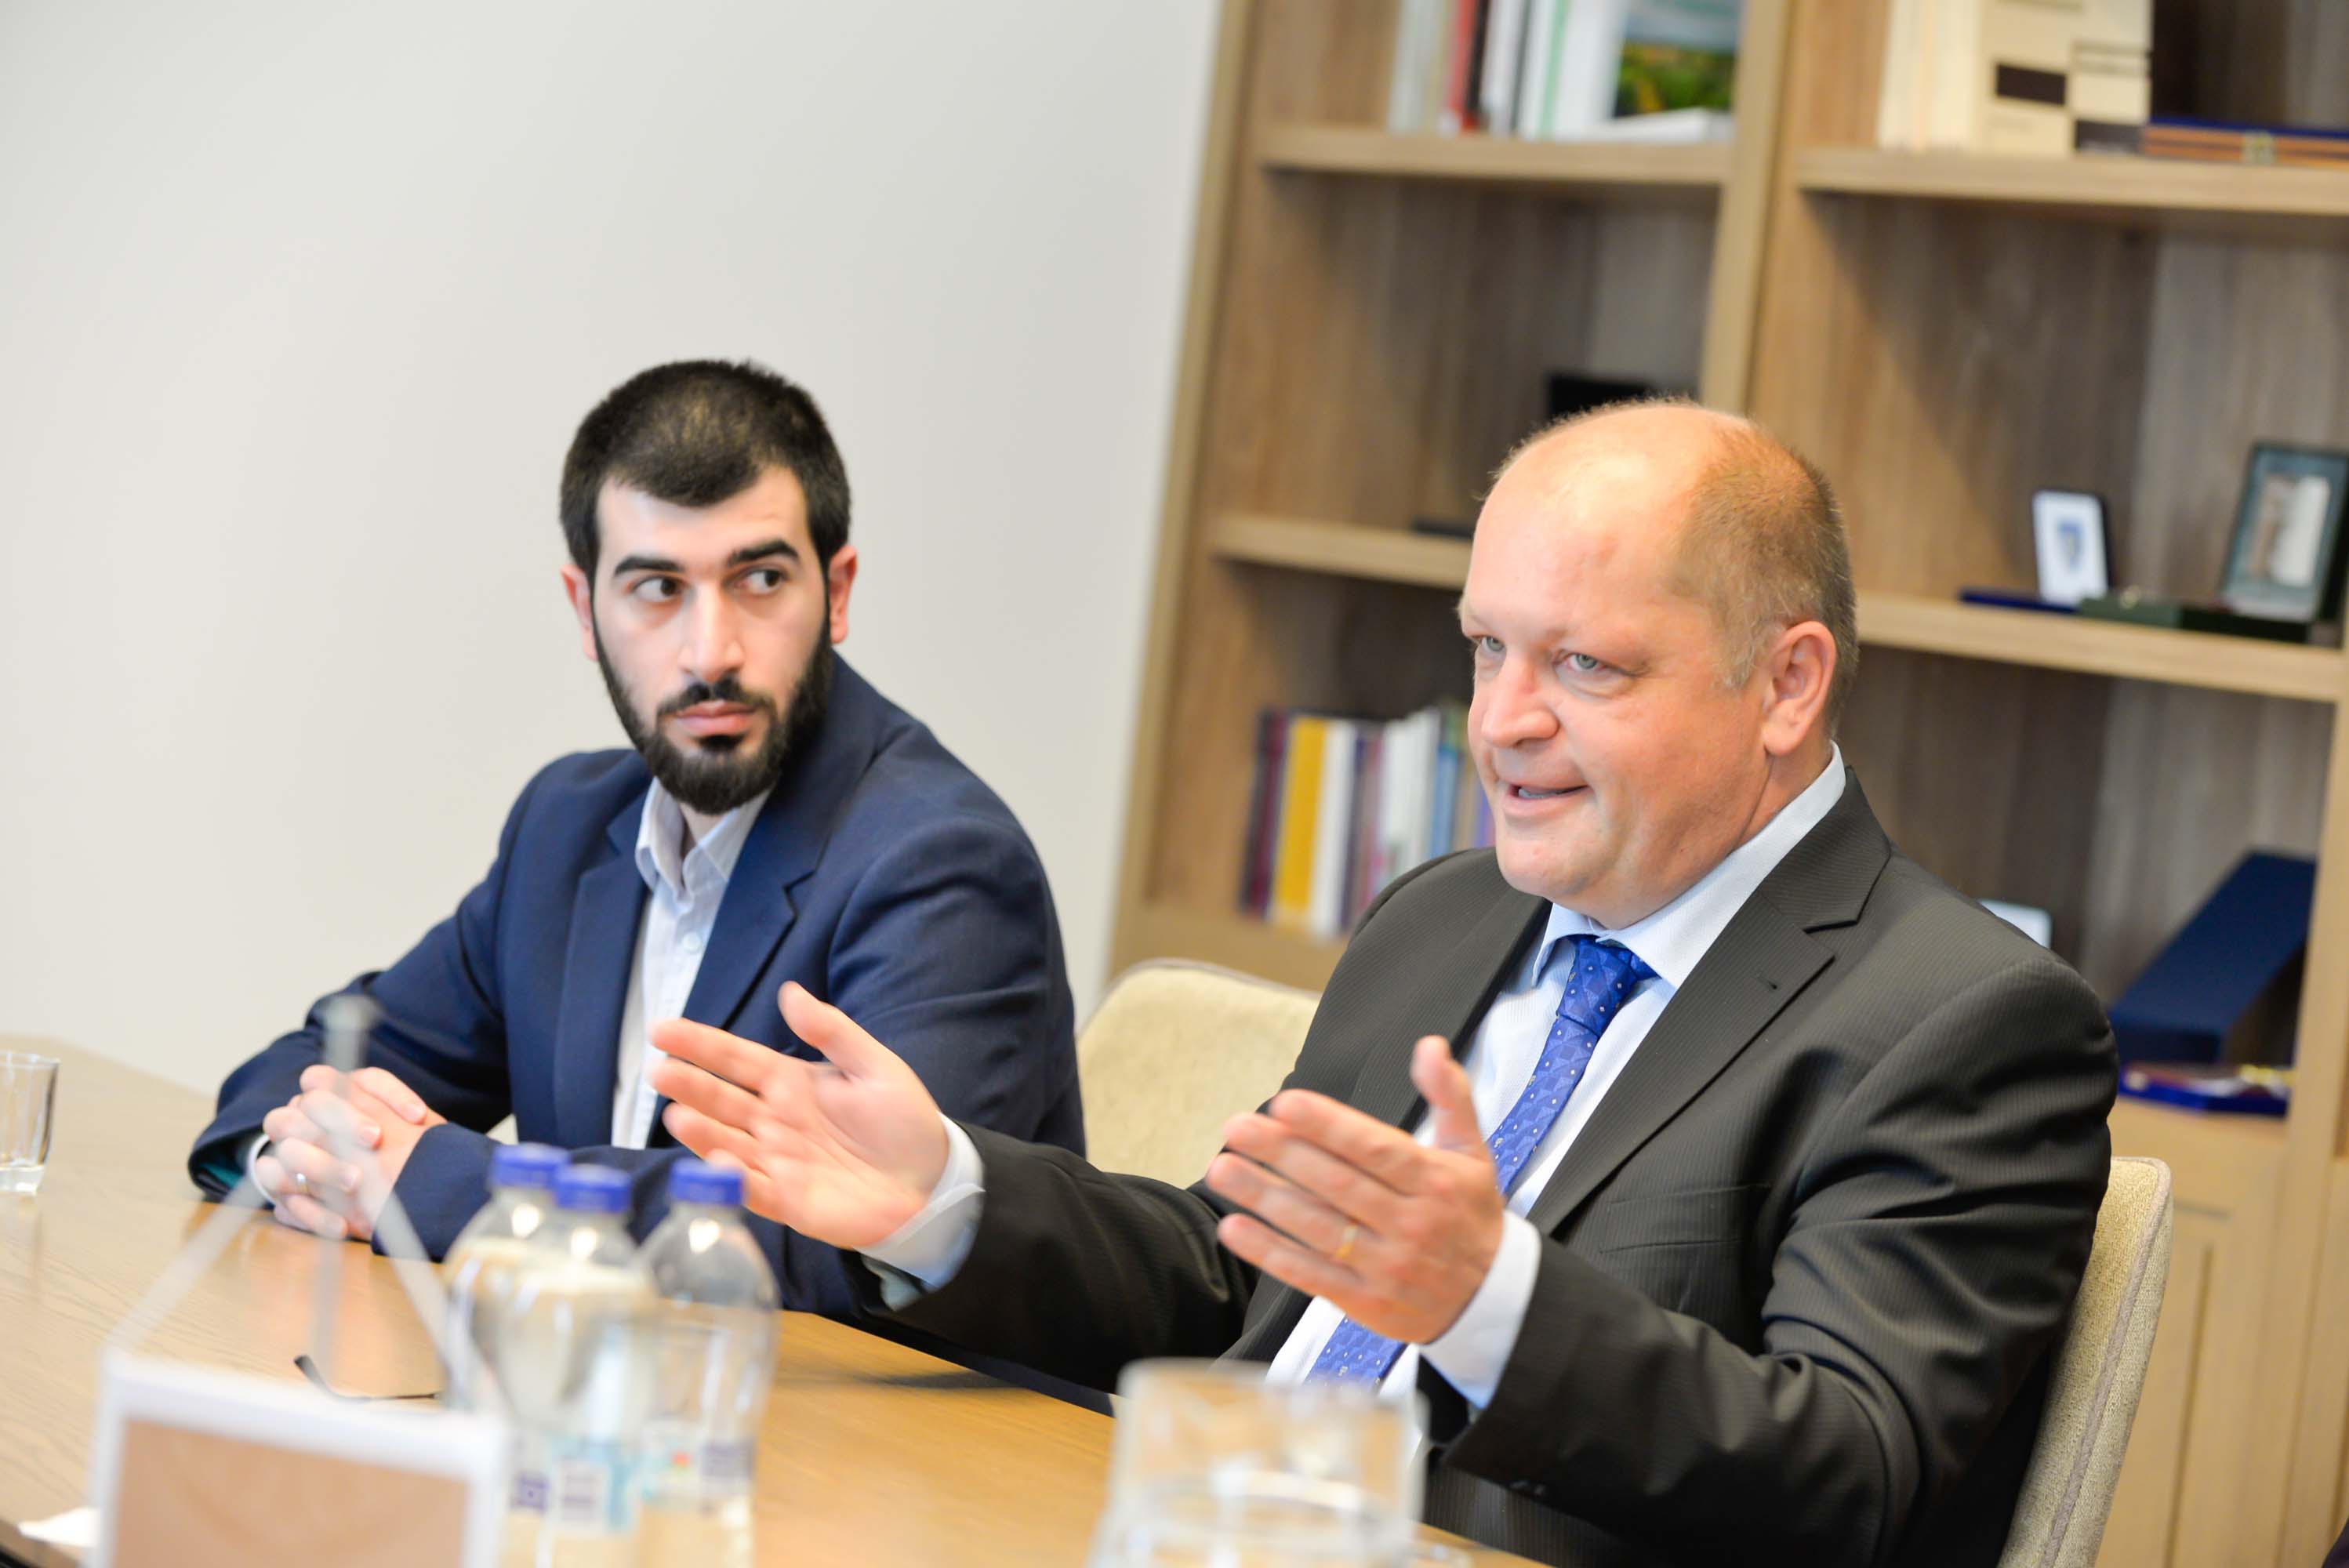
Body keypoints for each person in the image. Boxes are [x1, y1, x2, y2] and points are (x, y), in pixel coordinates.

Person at [650, 401, 2118, 1567]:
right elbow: (1238, 1283)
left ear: (1788, 684)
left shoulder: (1961, 1022)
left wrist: (1490, 1304)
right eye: (1486, 649)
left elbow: (1848, 1476)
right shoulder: (1449, 913)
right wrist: (950, 1197)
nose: (1500, 723)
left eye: (1584, 668)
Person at [187, 359, 1082, 1312]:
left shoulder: (942, 861)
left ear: (838, 589)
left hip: (856, 1405)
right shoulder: (565, 827)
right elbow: (327, 1057)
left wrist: (433, 1183)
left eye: (761, 579)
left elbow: (844, 1240)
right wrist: (299, 1154)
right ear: (585, 609)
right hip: (595, 1385)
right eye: (658, 587)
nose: (710, 651)